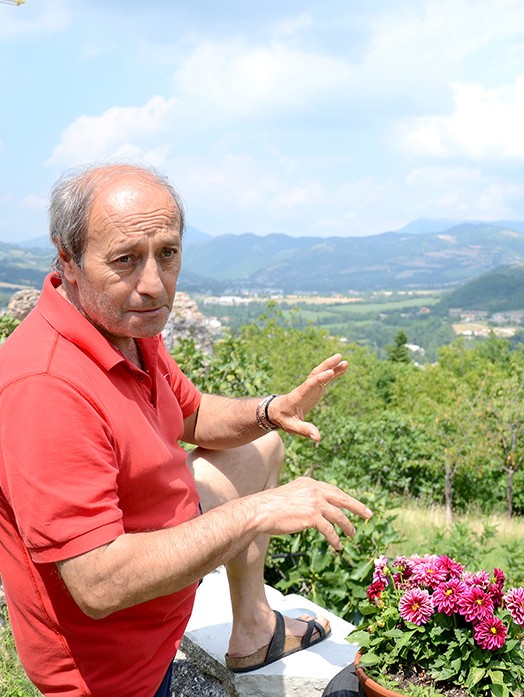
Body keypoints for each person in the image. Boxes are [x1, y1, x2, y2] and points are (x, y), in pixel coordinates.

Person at [0, 163, 372, 697]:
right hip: (113, 674)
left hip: (158, 598)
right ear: (69, 258)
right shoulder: (46, 387)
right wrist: (256, 511)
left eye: (168, 253)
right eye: (126, 259)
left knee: (260, 445)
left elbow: (192, 414)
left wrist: (272, 410)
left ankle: (254, 628)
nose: (153, 285)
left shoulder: (122, 325)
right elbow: (99, 584)